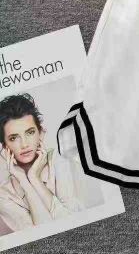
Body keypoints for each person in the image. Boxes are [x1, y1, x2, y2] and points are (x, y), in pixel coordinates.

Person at [0, 93, 87, 232]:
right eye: (13, 138)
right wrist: (24, 181)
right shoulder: (4, 195)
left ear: (41, 133)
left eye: (30, 132)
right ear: (5, 147)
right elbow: (41, 236)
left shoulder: (60, 161)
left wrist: (35, 179)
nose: (24, 144)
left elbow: (74, 224)